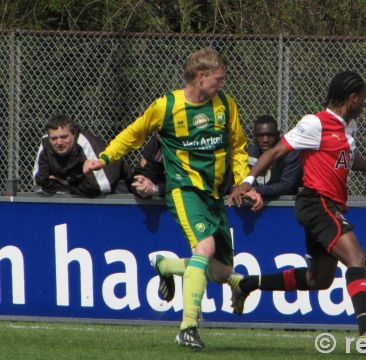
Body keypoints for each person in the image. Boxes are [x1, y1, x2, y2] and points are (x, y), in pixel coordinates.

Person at [83, 47, 262, 350]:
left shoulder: (226, 105)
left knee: (220, 274)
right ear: (200, 76)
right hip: (184, 189)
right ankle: (188, 327)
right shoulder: (166, 107)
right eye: (218, 79)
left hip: (215, 195)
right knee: (203, 247)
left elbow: (238, 145)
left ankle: (166, 267)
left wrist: (245, 182)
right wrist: (105, 157)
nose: (222, 84)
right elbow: (134, 133)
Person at [227, 71, 366, 342]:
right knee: (357, 259)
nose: (365, 104)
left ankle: (247, 284)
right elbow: (276, 151)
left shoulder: (350, 126)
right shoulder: (315, 123)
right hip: (316, 202)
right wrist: (248, 181)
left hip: (328, 205)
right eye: (363, 99)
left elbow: (348, 159)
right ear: (353, 98)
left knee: (318, 280)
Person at [33, 114, 132, 197]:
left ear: (73, 134)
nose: (59, 142)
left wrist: (68, 184)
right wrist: (69, 187)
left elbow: (102, 187)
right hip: (82, 192)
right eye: (54, 138)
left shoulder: (85, 143)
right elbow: (40, 183)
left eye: (64, 137)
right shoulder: (45, 142)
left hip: (118, 191)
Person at [246, 114, 302, 198]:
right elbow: (235, 185)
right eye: (261, 135)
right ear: (254, 136)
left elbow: (287, 186)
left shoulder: (290, 153)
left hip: (284, 206)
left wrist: (255, 190)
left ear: (278, 134)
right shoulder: (247, 154)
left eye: (270, 135)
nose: (265, 140)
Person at [131, 134, 166, 198]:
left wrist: (158, 189)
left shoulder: (188, 145)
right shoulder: (154, 145)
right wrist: (143, 187)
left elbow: (187, 184)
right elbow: (141, 175)